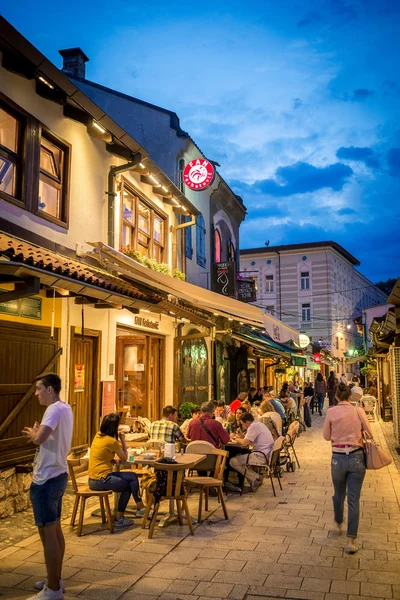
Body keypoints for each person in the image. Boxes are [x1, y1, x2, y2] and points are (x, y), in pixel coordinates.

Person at [22, 373, 73, 600]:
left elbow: (40, 438)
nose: (36, 394)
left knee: (47, 533)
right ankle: (56, 578)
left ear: (50, 389)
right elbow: (50, 436)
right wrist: (39, 433)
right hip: (59, 473)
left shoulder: (52, 410)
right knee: (55, 530)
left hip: (46, 478)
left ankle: (53, 589)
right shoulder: (65, 408)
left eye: (38, 389)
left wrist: (34, 433)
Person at [323, 382, 373, 554]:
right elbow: (370, 432)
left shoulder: (331, 412)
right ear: (350, 397)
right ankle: (351, 541)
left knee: (338, 494)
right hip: (357, 457)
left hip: (337, 457)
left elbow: (326, 436)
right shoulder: (358, 411)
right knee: (353, 500)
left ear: (336, 396)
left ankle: (338, 522)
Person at [88, 413, 145, 529]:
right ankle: (121, 517)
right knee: (128, 485)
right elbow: (124, 457)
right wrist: (123, 440)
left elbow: (101, 453)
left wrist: (110, 459)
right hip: (101, 479)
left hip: (94, 478)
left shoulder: (98, 436)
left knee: (133, 476)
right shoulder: (111, 441)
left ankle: (140, 506)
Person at [230, 412, 274, 491]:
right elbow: (249, 440)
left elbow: (244, 443)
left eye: (243, 424)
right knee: (238, 459)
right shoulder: (258, 424)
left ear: (247, 422)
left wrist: (234, 438)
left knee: (233, 461)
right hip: (266, 453)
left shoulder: (253, 427)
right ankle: (254, 479)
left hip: (261, 456)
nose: (243, 426)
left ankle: (255, 477)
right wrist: (241, 436)